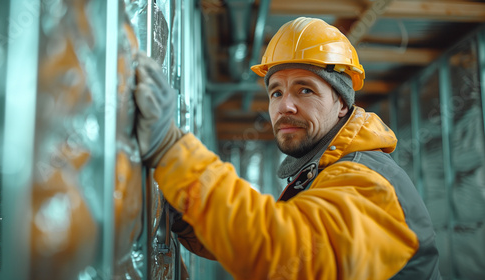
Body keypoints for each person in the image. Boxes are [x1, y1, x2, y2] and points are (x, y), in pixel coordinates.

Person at [133, 17, 441, 280]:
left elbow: (284, 253)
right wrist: (188, 216)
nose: (285, 106)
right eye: (276, 92)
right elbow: (262, 239)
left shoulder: (370, 183)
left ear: (343, 104)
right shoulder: (326, 173)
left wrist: (173, 153)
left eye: (305, 89)